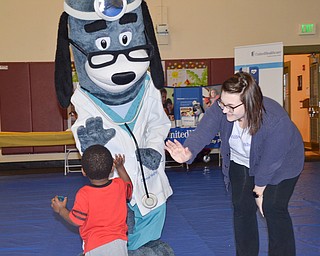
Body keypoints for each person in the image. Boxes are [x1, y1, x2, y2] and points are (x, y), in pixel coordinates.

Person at [165, 71, 304, 256]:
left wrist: (259, 192)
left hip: (281, 165)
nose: (224, 110)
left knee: (273, 209)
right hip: (241, 161)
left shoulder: (275, 120)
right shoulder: (222, 108)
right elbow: (204, 130)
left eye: (231, 106)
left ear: (249, 103)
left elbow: (270, 162)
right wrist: (187, 152)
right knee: (241, 208)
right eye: (223, 103)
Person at [51, 144, 133, 256]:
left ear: (83, 171)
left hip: (95, 244)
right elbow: (129, 188)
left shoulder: (84, 194)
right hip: (119, 243)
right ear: (111, 169)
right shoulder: (119, 185)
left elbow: (75, 220)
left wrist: (61, 209)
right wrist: (121, 168)